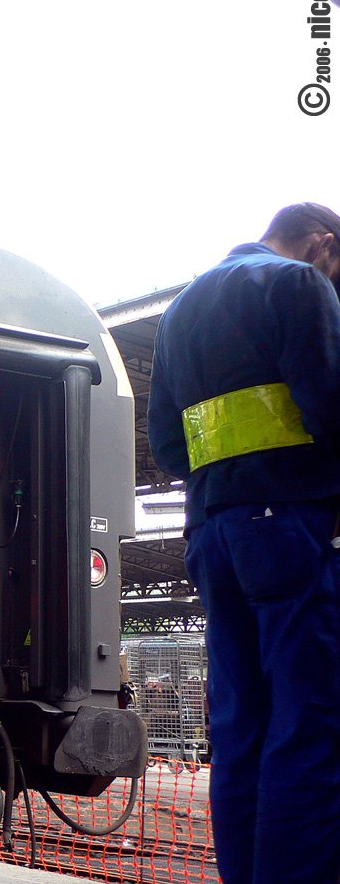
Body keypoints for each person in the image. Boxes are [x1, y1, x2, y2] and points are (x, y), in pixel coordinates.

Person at [147, 202, 340, 884]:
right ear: (324, 245)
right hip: (288, 524)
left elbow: (168, 446)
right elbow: (329, 405)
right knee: (308, 719)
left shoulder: (181, 311)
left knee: (240, 726)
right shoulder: (297, 284)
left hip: (213, 535)